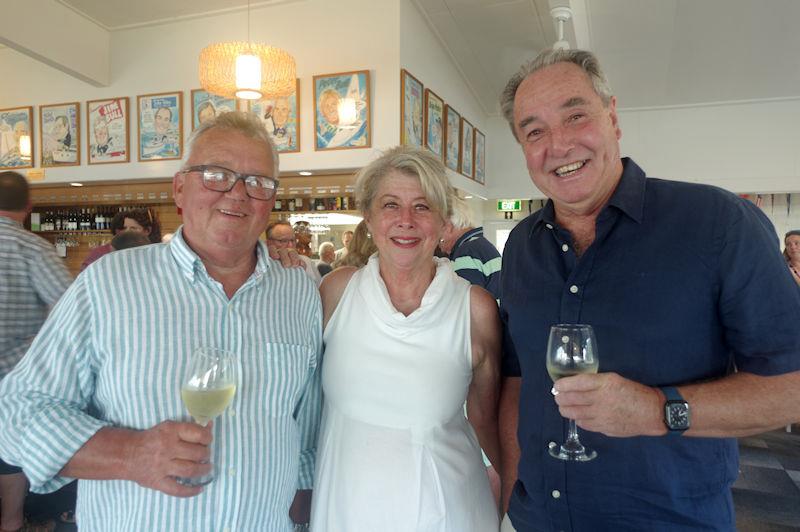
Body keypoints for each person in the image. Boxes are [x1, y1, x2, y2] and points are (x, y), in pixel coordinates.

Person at [496, 48, 800, 531]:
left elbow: (791, 387)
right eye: (535, 131)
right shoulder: (520, 247)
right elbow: (517, 379)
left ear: (612, 117)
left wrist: (661, 410)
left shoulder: (717, 224)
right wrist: (512, 491)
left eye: (576, 116)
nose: (559, 144)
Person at [0, 112, 323, 531]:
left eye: (257, 183)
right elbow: (17, 411)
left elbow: (304, 428)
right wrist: (129, 453)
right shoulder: (110, 282)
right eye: (215, 174)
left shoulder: (298, 294)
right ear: (179, 188)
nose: (238, 194)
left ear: (271, 201)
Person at [309, 145, 501, 531]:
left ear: (444, 220)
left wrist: (513, 498)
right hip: (346, 508)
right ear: (369, 216)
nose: (406, 220)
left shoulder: (474, 308)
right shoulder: (336, 291)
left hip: (449, 510)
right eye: (391, 205)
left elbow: (486, 418)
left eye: (423, 206)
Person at [0, 171, 72, 532]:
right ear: (28, 207)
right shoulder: (32, 248)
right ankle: (12, 522)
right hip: (13, 379)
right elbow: (70, 312)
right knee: (8, 455)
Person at [439, 196, 501, 301]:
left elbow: (466, 306)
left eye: (440, 239)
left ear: (448, 226)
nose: (442, 249)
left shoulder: (466, 253)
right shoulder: (480, 245)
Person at [80, 208, 160, 271]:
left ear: (147, 231)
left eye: (133, 228)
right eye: (125, 228)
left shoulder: (156, 253)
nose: (127, 231)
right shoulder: (106, 252)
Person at [266, 220, 323, 286]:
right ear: (268, 243)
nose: (290, 245)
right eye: (283, 241)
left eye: (293, 240)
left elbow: (320, 290)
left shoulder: (306, 261)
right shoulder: (264, 265)